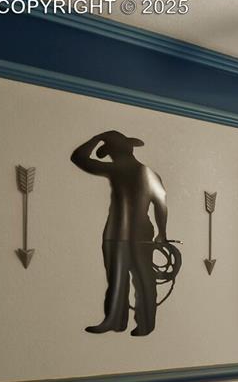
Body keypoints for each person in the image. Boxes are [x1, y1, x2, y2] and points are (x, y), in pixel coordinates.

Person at [71, 130, 168, 336]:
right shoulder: (146, 173)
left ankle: (122, 321)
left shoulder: (118, 169)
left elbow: (78, 157)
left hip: (124, 232)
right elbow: (161, 205)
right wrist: (162, 233)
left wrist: (96, 138)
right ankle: (137, 323)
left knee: (129, 277)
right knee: (136, 278)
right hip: (127, 231)